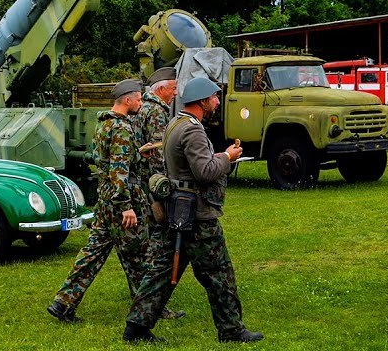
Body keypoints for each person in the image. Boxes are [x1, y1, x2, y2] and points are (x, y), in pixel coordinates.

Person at [124, 77, 262, 344]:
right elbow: (205, 171)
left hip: (177, 211)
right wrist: (227, 157)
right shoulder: (192, 130)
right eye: (214, 97)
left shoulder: (176, 123)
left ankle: (136, 329)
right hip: (197, 216)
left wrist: (219, 157)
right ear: (202, 101)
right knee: (219, 273)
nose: (217, 101)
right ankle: (231, 331)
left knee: (160, 273)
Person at [48, 79, 148, 323]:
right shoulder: (123, 128)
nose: (141, 103)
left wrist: (138, 152)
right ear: (127, 100)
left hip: (104, 200)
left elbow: (105, 159)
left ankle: (63, 303)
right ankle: (148, 309)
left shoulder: (104, 124)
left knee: (92, 253)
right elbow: (119, 170)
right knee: (138, 255)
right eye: (138, 99)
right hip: (121, 201)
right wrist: (126, 207)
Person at [132, 66, 185, 321]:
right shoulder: (156, 111)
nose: (176, 94)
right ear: (161, 88)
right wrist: (165, 187)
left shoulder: (145, 107)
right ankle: (152, 300)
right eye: (173, 88)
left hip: (141, 185)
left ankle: (144, 292)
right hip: (151, 188)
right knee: (157, 243)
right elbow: (157, 152)